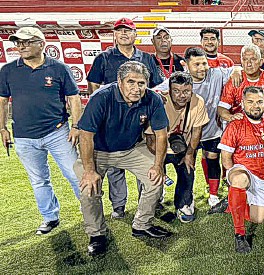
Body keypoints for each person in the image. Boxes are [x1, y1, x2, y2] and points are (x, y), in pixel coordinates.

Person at [75, 61, 171, 256]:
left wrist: (158, 165)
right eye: (131, 82)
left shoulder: (152, 99)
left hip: (131, 148)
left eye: (142, 83)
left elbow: (161, 135)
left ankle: (142, 225)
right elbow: (85, 136)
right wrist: (89, 170)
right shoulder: (101, 97)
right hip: (98, 151)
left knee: (155, 180)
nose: (137, 88)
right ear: (119, 81)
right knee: (88, 188)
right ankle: (96, 234)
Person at [0, 27, 81, 235]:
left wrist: (76, 126)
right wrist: (2, 128)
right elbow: (2, 101)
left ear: (41, 44)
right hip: (24, 137)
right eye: (19, 43)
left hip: (58, 132)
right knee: (38, 180)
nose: (22, 46)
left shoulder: (59, 68)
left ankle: (90, 211)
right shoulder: (8, 70)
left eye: (27, 42)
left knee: (75, 174)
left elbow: (73, 98)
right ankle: (50, 217)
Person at [87, 17, 165, 219]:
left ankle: (148, 203)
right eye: (119, 30)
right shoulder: (104, 58)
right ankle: (118, 205)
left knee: (144, 163)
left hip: (140, 119)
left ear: (135, 35)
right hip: (111, 120)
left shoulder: (147, 58)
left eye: (128, 30)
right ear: (114, 34)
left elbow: (156, 86)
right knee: (114, 167)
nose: (123, 33)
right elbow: (94, 87)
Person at [218, 86, 264, 254]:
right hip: (242, 170)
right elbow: (226, 156)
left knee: (258, 218)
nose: (255, 106)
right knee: (240, 180)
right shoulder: (235, 124)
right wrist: (231, 179)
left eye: (259, 102)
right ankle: (239, 234)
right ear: (243, 104)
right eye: (250, 102)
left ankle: (232, 202)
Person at [177, 47, 240, 211]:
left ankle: (213, 195)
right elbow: (158, 90)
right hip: (189, 133)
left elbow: (237, 68)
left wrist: (236, 71)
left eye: (204, 63)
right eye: (196, 64)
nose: (202, 68)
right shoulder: (179, 81)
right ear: (186, 65)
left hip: (212, 129)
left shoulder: (216, 74)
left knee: (212, 159)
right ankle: (187, 200)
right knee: (187, 164)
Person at [145, 71, 209, 222]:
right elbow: (149, 138)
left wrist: (190, 154)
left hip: (183, 147)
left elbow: (197, 130)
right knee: (152, 175)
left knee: (187, 172)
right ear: (169, 90)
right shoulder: (159, 102)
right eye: (176, 91)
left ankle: (184, 204)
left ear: (192, 89)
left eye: (186, 91)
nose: (181, 95)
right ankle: (153, 202)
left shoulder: (198, 101)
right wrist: (158, 162)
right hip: (157, 147)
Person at [218, 44, 264, 119]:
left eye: (253, 59)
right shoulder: (234, 81)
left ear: (261, 61)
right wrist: (231, 117)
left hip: (263, 125)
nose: (249, 64)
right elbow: (222, 108)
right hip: (240, 125)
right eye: (245, 59)